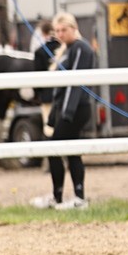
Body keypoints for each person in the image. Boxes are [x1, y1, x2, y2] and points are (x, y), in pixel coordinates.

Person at [30, 12, 96, 210]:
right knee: (71, 152)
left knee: (55, 149)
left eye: (63, 30)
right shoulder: (67, 49)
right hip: (67, 108)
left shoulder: (80, 48)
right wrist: (54, 115)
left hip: (76, 109)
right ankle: (74, 197)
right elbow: (60, 89)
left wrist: (66, 113)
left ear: (74, 28)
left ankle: (62, 197)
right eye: (57, 31)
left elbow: (74, 84)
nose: (60, 34)